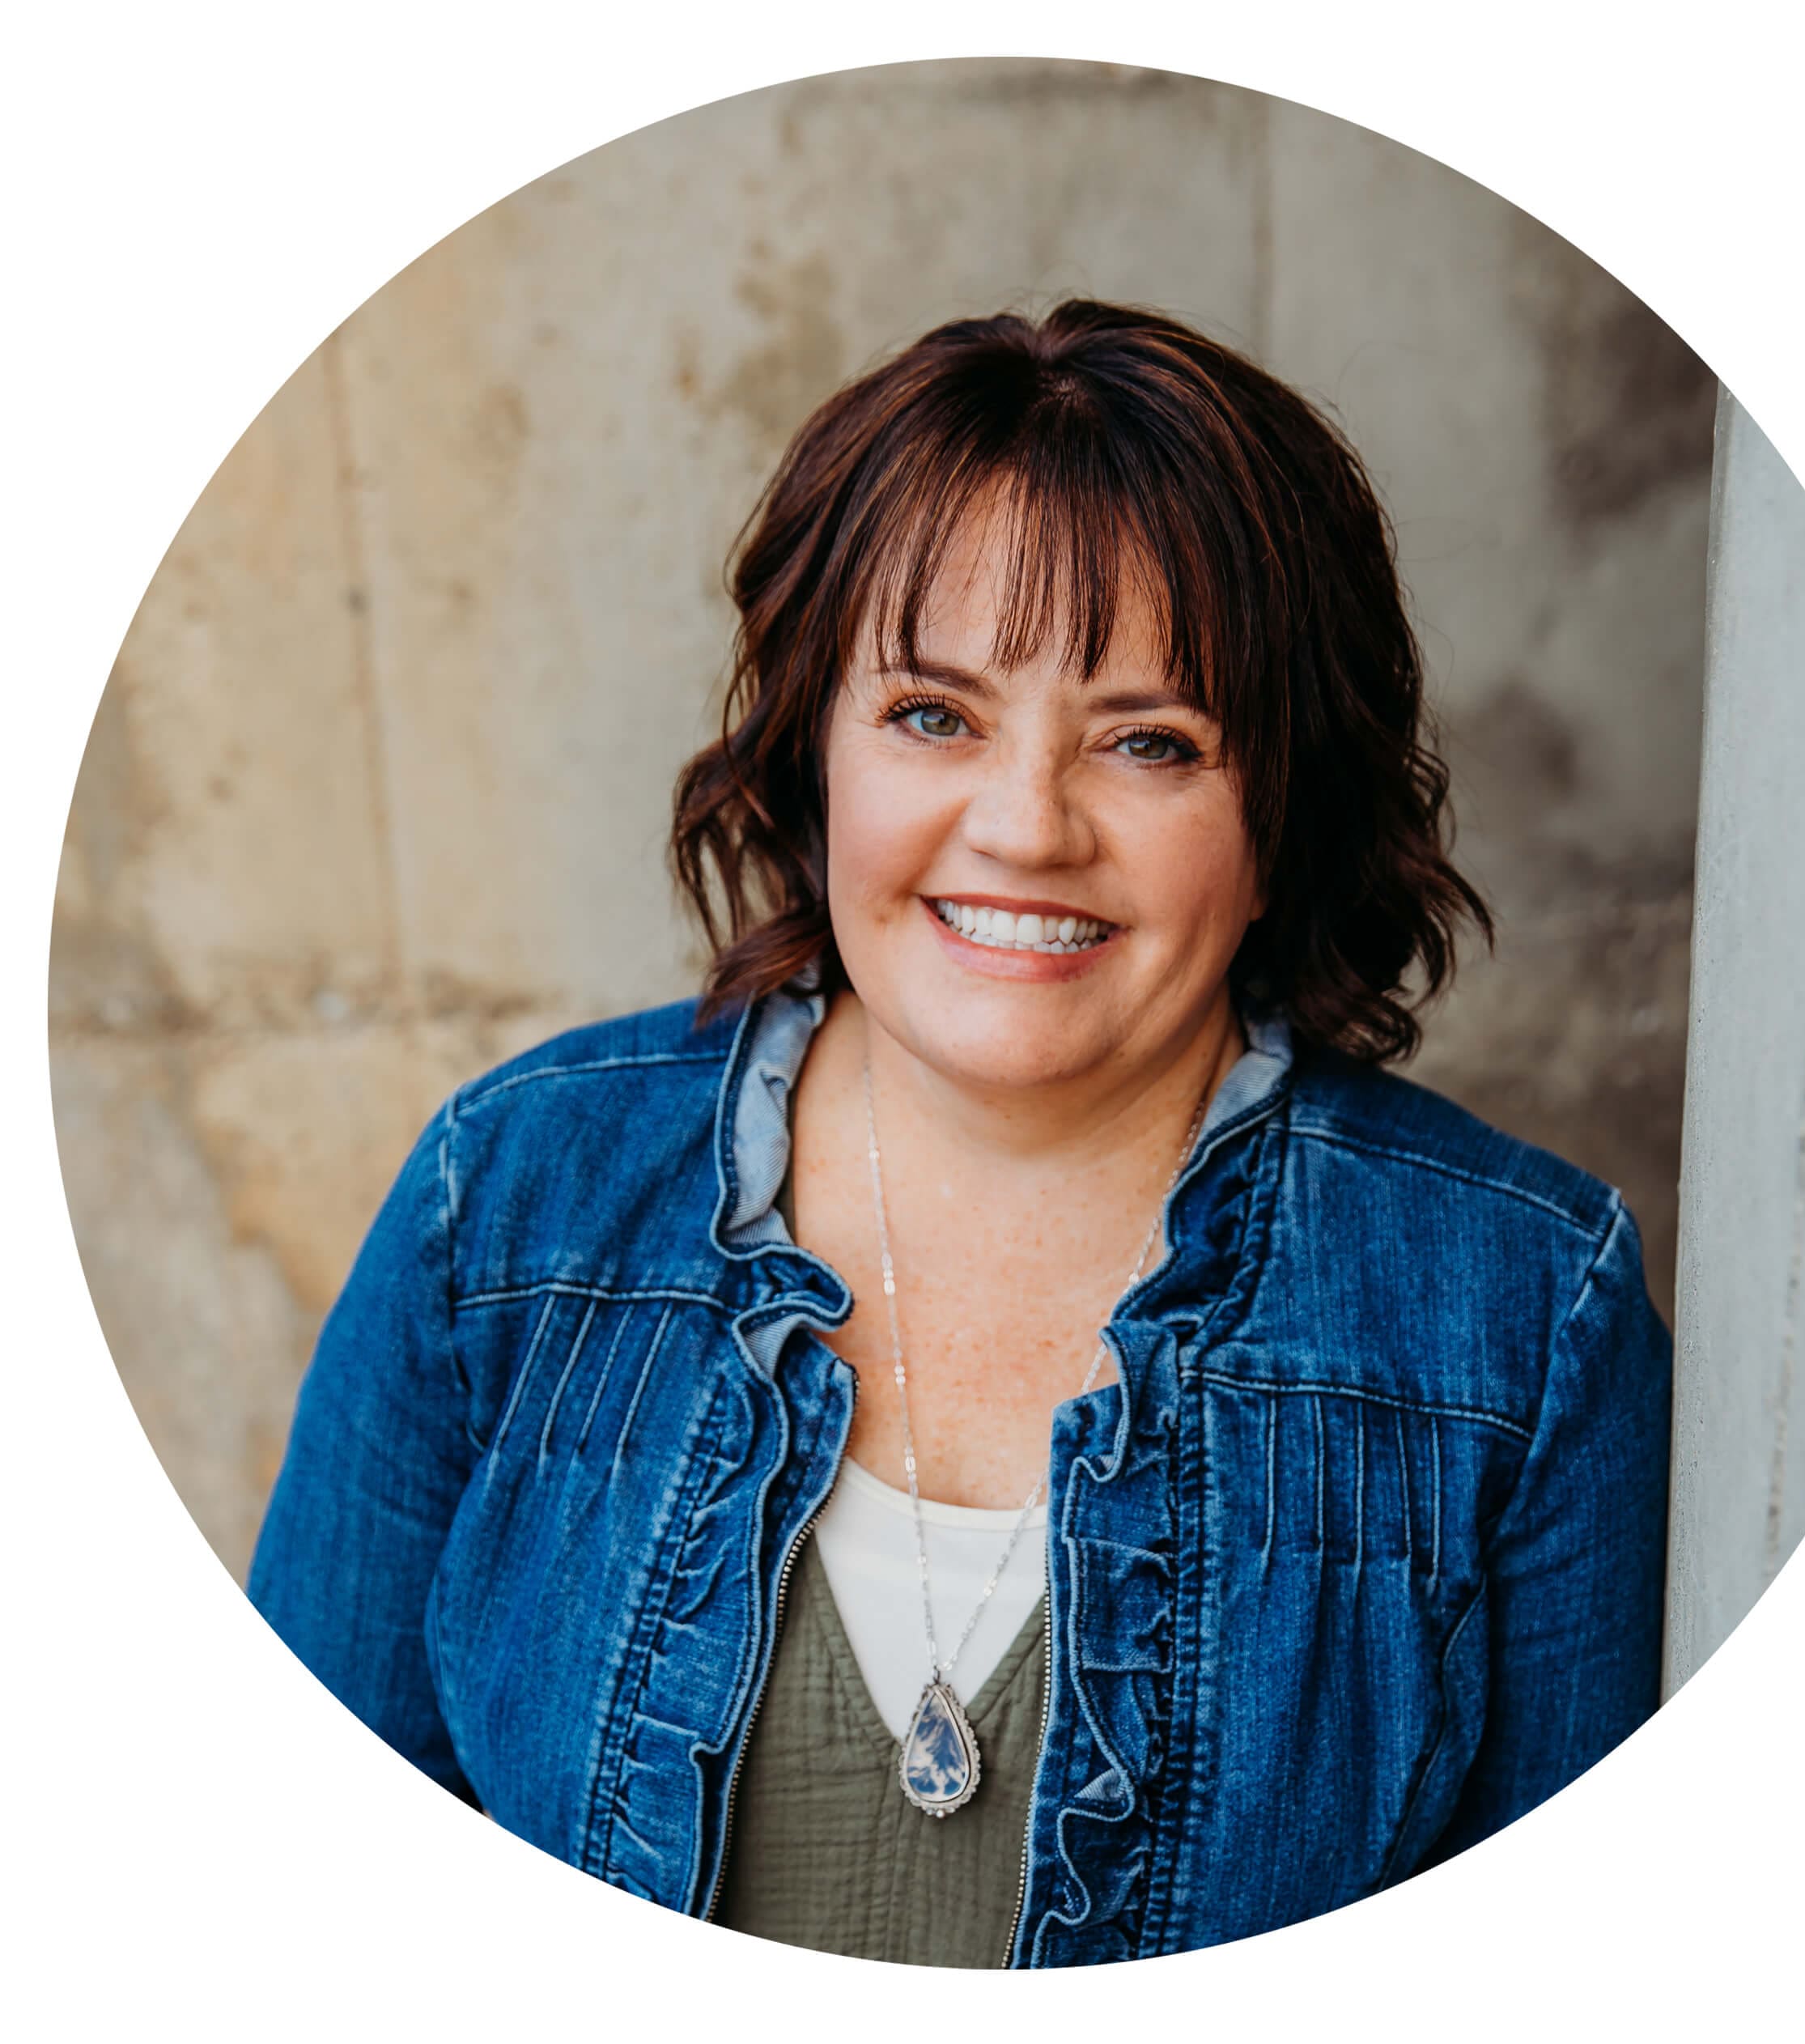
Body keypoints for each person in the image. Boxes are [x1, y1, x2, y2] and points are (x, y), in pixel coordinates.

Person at [248, 298, 1674, 1967]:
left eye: (1148, 741)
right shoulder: (504, 1210)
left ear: (1282, 810)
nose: (1021, 828)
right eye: (933, 715)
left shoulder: (1521, 1318)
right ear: (814, 750)